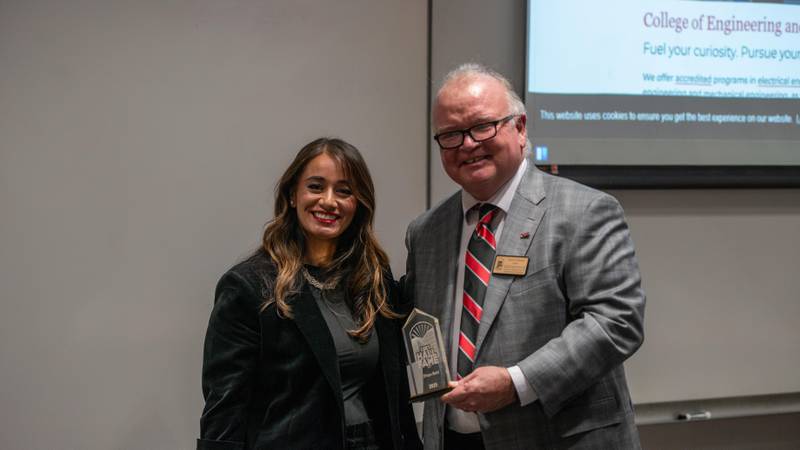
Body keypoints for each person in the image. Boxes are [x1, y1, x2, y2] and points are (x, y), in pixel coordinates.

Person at [402, 63, 645, 449]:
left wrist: (516, 382)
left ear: (520, 127)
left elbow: (616, 321)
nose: (468, 144)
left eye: (483, 126)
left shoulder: (584, 211)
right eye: (450, 134)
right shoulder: (426, 232)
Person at [198, 138, 422, 450]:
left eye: (344, 191)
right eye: (316, 187)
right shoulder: (249, 287)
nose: (329, 201)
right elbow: (225, 406)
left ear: (359, 203)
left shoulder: (372, 280)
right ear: (292, 194)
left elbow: (396, 394)